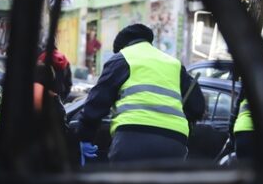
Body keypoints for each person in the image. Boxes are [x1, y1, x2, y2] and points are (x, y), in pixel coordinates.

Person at [76, 23, 204, 165]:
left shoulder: (123, 58)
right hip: (174, 141)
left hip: (132, 138)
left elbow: (98, 101)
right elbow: (197, 107)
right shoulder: (174, 63)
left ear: (122, 47)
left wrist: (85, 136)